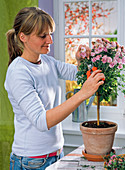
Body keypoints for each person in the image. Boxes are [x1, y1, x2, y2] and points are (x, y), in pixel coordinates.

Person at [4, 7, 105, 170]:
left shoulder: (48, 62)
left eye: (50, 34)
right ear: (23, 37)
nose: (50, 40)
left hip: (56, 154)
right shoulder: (18, 72)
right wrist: (82, 94)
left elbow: (80, 75)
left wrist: (82, 61)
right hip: (31, 161)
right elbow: (42, 121)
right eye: (43, 36)